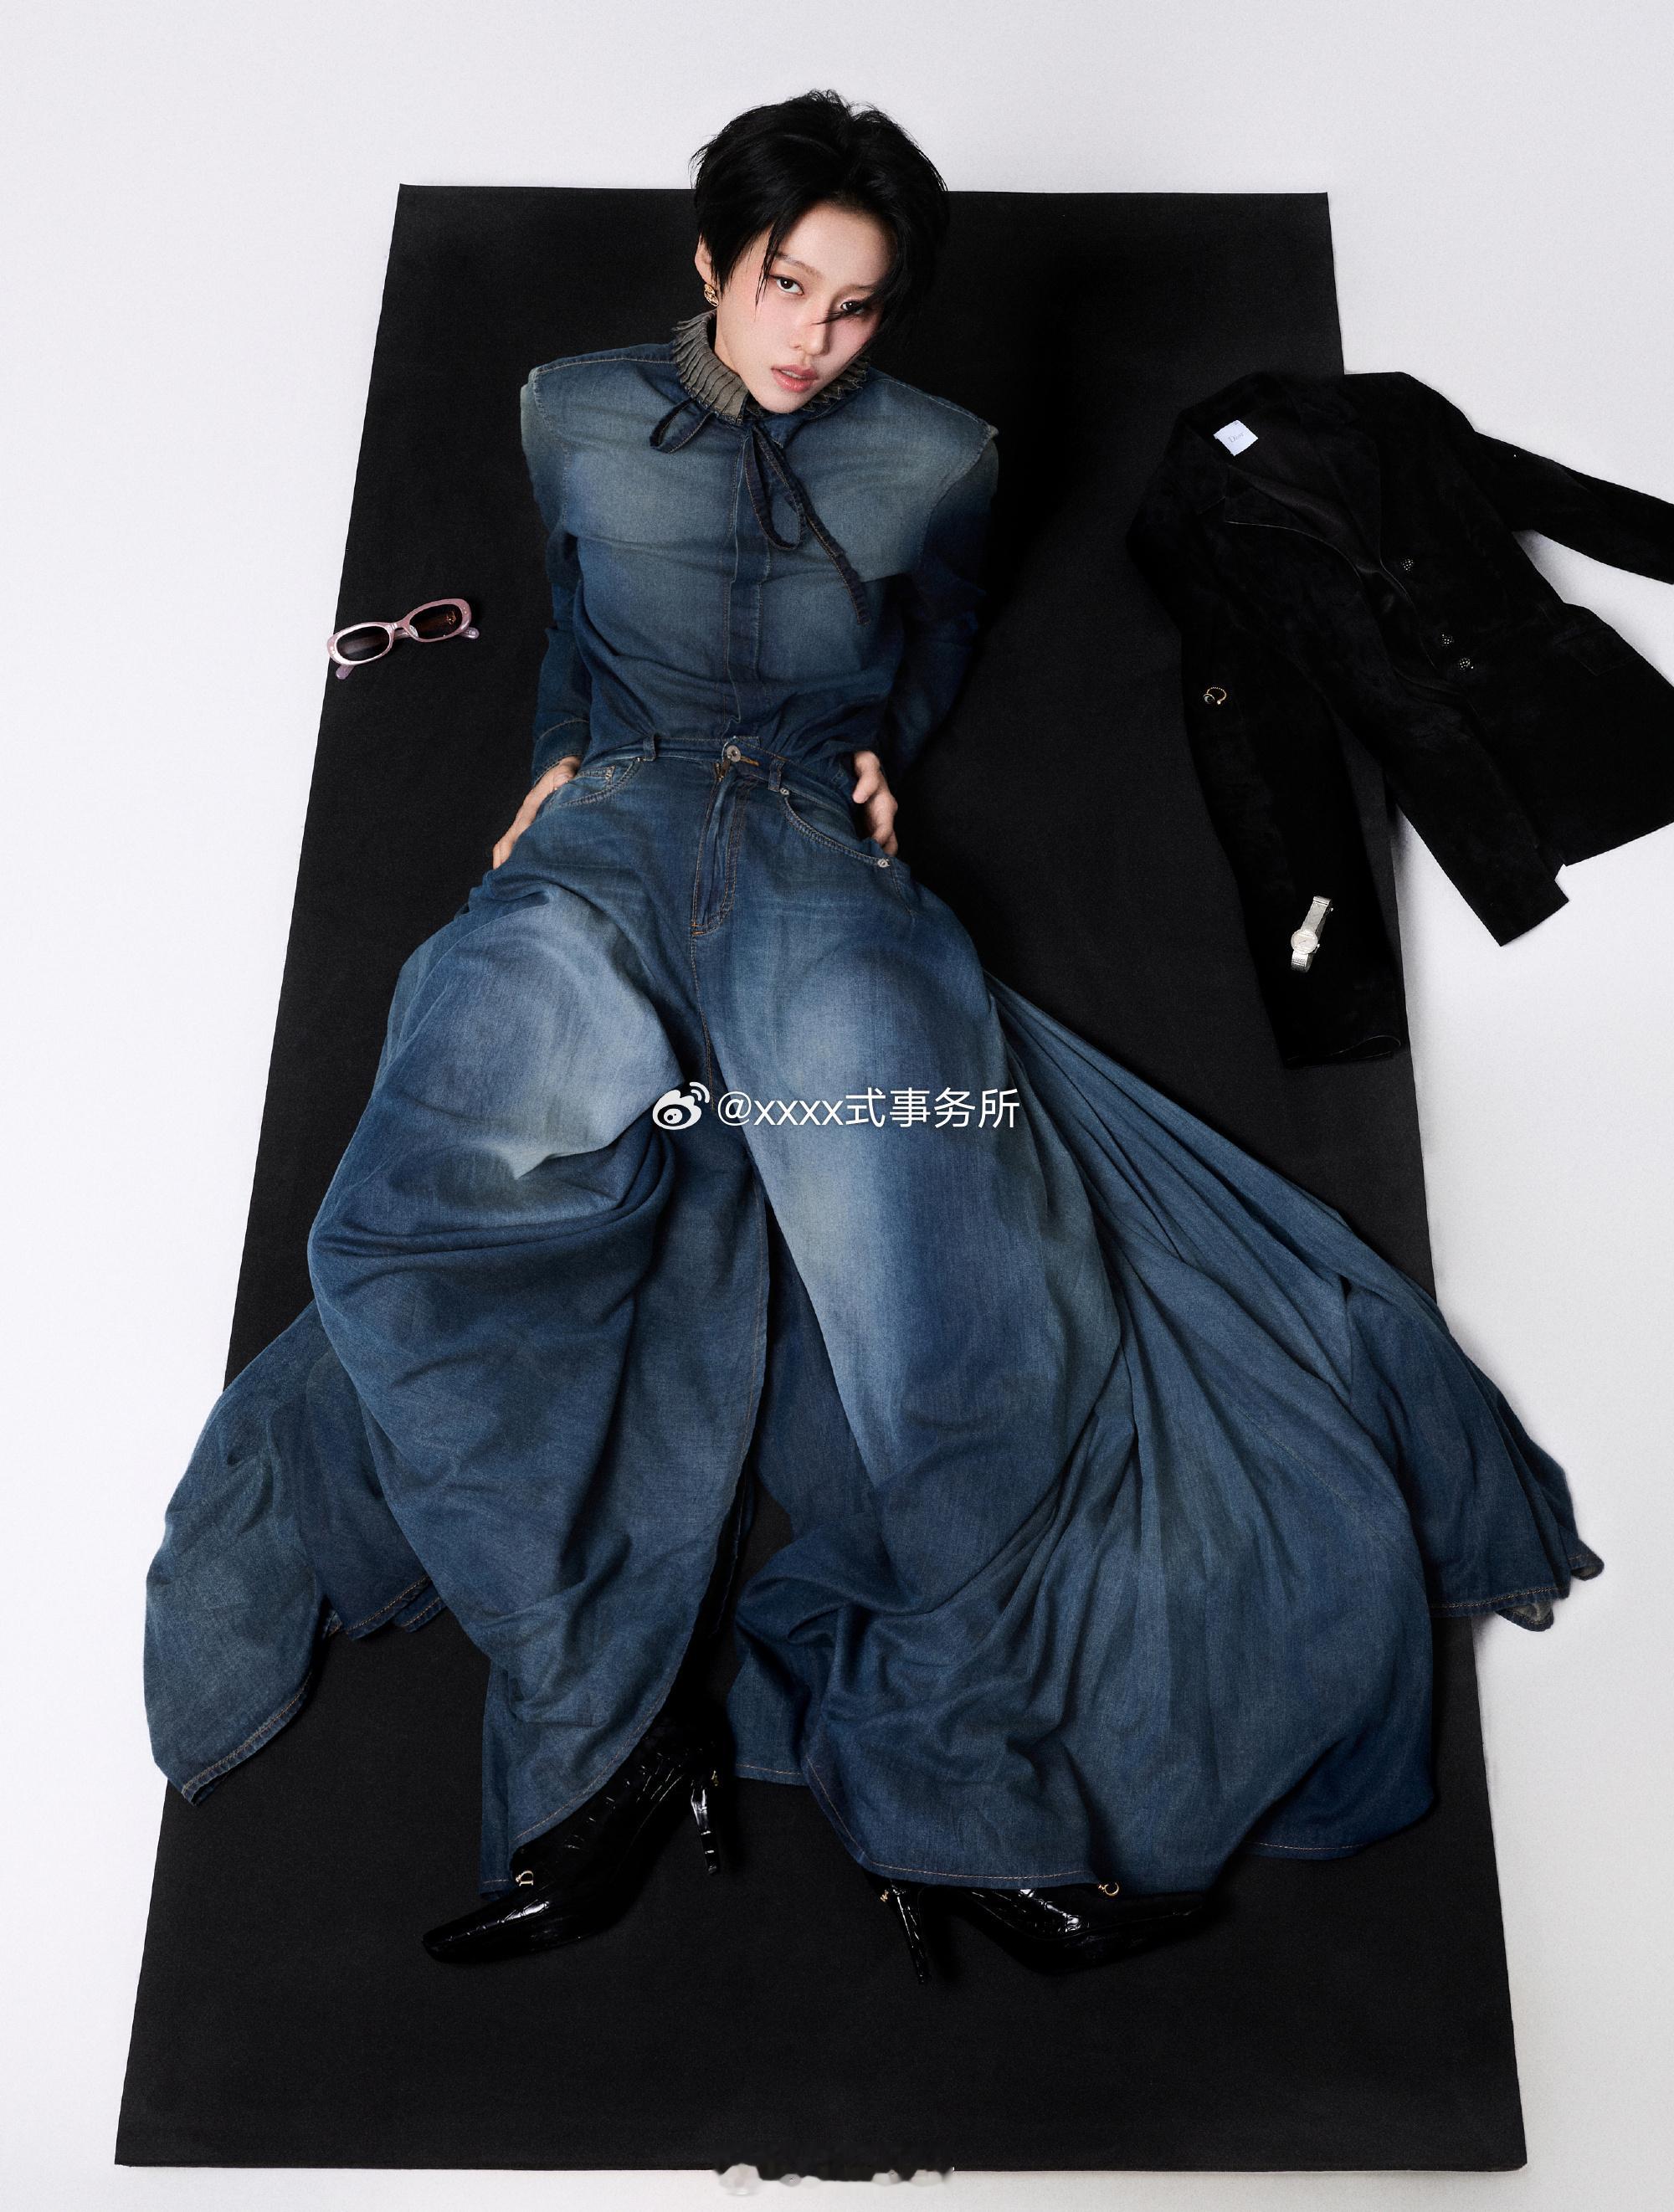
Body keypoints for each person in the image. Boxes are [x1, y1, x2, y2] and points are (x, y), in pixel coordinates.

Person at [143, 89, 1601, 1986]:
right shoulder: (569, 407)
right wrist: (552, 765)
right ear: (711, 259)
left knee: (943, 1309)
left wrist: (881, 761)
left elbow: (939, 629)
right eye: (784, 286)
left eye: (854, 306)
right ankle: (606, 1732)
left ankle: (962, 1793)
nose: (812, 338)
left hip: (817, 859)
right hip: (604, 836)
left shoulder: (939, 453)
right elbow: (572, 622)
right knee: (411, 1227)